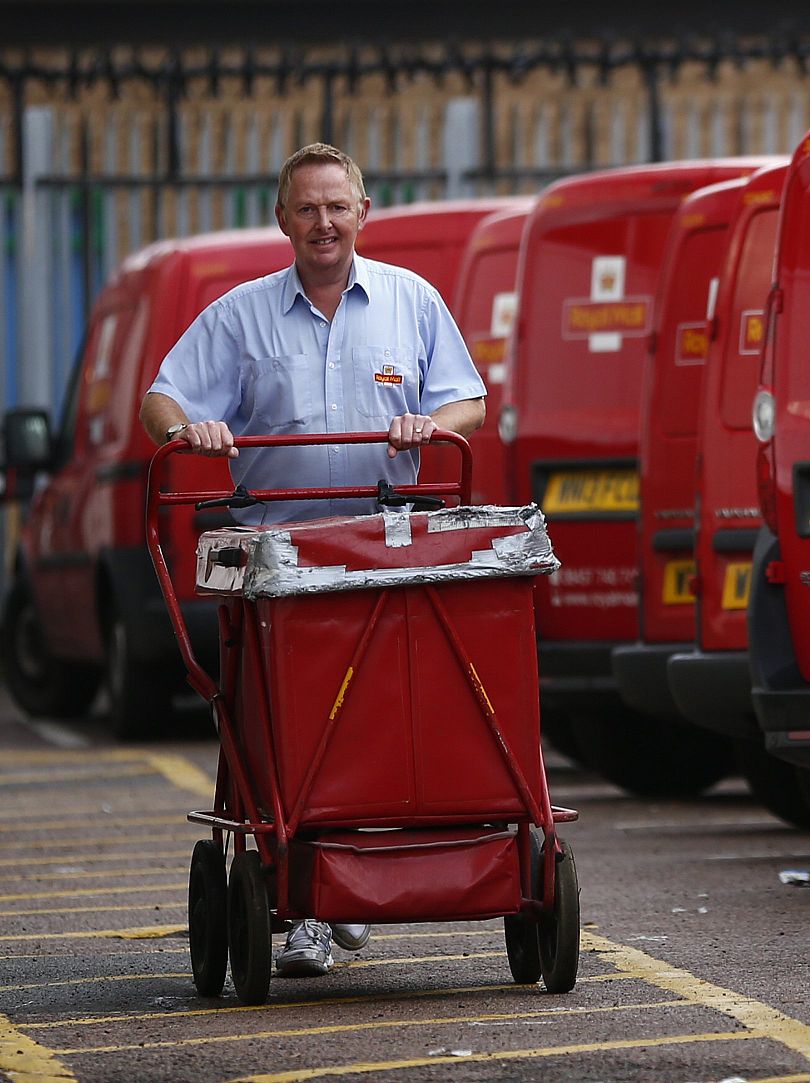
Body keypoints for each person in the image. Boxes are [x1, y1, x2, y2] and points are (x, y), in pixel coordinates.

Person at [139, 143, 487, 977]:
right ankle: (311, 910)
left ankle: (355, 884)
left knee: (378, 725)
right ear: (283, 221)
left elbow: (469, 399)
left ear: (363, 212)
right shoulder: (239, 315)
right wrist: (192, 429)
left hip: (384, 552)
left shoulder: (413, 301)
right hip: (278, 564)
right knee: (291, 734)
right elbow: (160, 399)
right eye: (307, 208)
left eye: (338, 206)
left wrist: (432, 425)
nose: (323, 223)